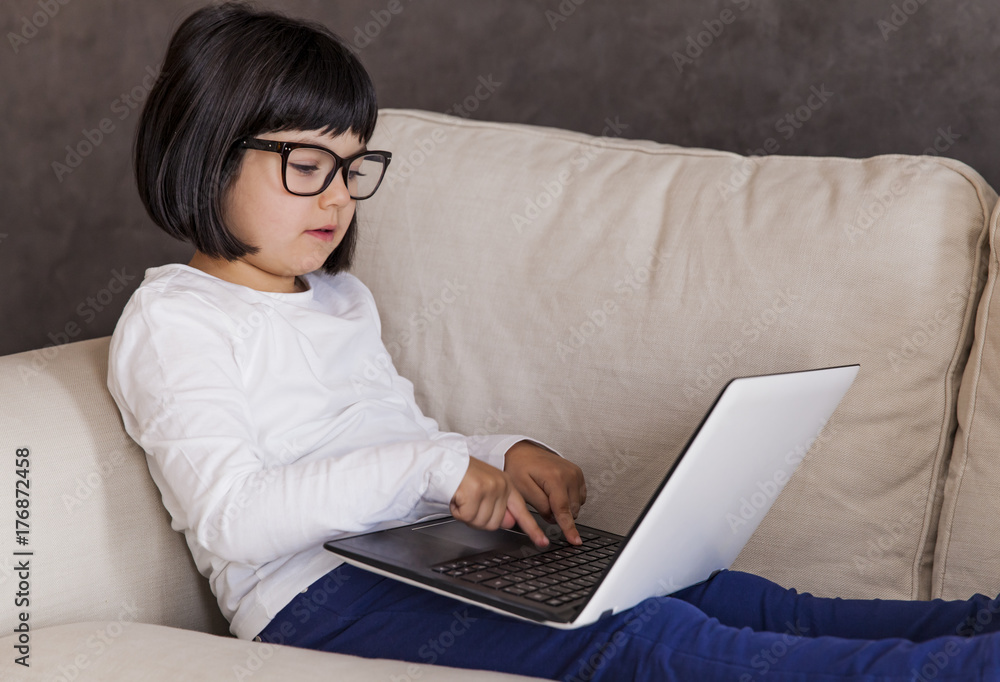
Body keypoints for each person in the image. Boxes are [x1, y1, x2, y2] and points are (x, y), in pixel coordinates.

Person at [107, 3, 1000, 680]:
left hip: (427, 554)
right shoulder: (174, 322)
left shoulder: (338, 297)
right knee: (648, 643)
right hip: (312, 598)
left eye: (353, 167)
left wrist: (501, 452)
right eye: (308, 166)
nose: (339, 197)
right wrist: (433, 475)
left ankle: (975, 627)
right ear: (207, 154)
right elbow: (235, 519)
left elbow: (403, 438)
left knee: (724, 595)